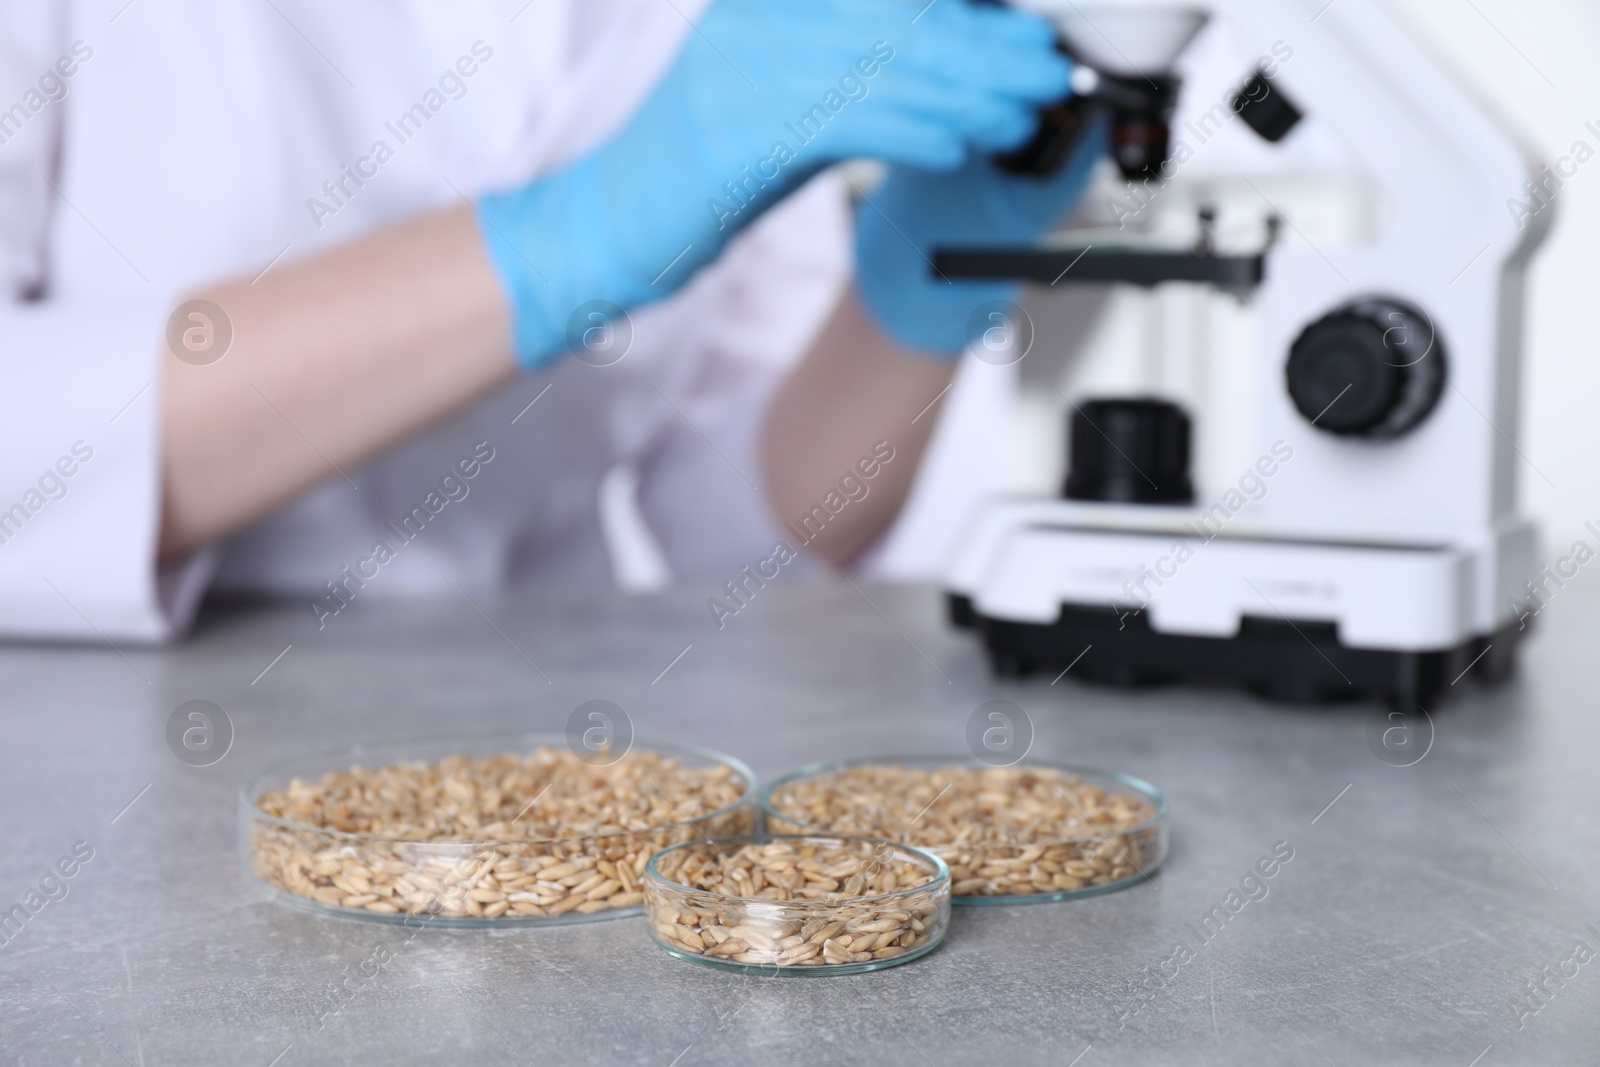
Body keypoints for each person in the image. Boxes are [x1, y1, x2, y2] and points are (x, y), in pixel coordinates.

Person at [0, 0, 1101, 642]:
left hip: (550, 730)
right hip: (118, 747)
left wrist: (922, 277)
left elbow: (736, 534)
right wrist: (558, 245)